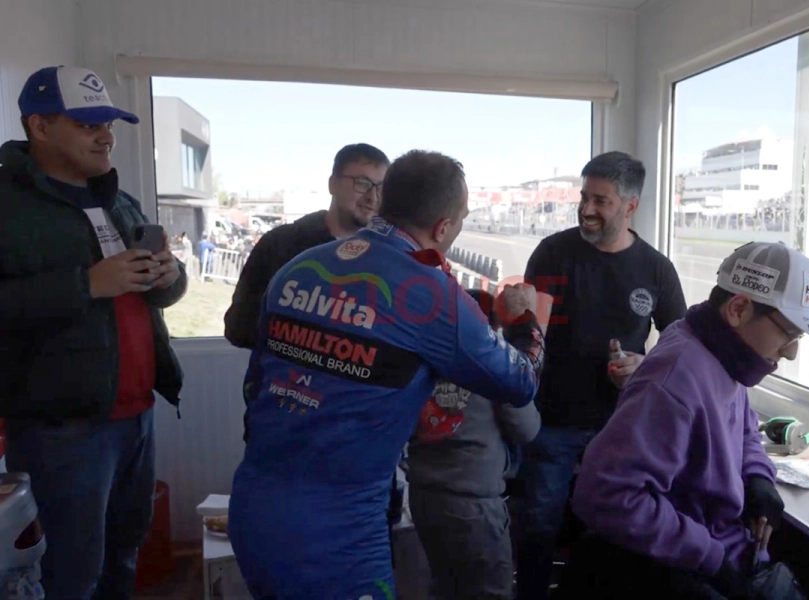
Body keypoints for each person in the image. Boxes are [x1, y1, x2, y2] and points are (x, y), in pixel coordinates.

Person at [227, 149, 547, 600]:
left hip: (252, 499)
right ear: (443, 227)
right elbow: (520, 382)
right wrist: (522, 323)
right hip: (337, 529)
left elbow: (256, 382)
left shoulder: (298, 267)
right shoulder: (432, 294)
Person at [558, 241, 809, 599]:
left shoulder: (728, 355)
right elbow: (605, 493)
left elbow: (744, 428)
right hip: (685, 567)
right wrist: (708, 555)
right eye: (788, 334)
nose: (790, 352)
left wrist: (758, 478)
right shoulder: (676, 378)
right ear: (739, 308)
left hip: (728, 549)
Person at [0, 66, 187, 598]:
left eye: (108, 121)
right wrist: (84, 285)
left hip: (137, 419)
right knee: (68, 574)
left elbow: (158, 296)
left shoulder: (118, 202)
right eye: (86, 124)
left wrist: (168, 279)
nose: (105, 134)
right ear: (39, 126)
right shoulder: (7, 205)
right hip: (61, 431)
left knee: (123, 557)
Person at [515, 151, 687, 599]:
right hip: (551, 421)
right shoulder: (553, 253)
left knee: (613, 534)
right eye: (584, 197)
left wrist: (642, 367)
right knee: (538, 525)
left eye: (601, 201)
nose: (587, 209)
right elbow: (527, 337)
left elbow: (680, 351)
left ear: (630, 206)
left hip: (622, 428)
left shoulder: (655, 269)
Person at [407, 289, 542, 600]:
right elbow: (528, 429)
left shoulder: (420, 359)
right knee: (489, 590)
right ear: (490, 327)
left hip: (424, 497)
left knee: (443, 585)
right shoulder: (493, 367)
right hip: (475, 503)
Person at [224, 143, 390, 348]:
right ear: (333, 184)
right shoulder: (280, 244)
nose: (372, 197)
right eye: (362, 183)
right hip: (282, 376)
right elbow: (237, 327)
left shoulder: (386, 258)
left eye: (381, 188)